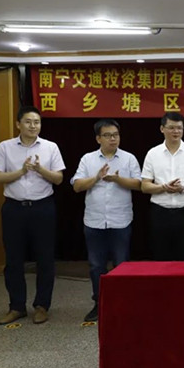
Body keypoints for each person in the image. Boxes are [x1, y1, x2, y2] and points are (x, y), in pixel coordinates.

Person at [0, 106, 65, 325]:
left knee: (45, 259)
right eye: (28, 122)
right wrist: (21, 171)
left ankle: (42, 306)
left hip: (43, 208)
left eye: (37, 122)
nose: (33, 126)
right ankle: (16, 306)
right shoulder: (5, 147)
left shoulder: (50, 147)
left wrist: (40, 170)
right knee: (13, 260)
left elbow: (59, 179)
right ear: (18, 124)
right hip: (14, 209)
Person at [71, 119, 141, 322]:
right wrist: (96, 178)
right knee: (96, 266)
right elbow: (77, 186)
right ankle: (99, 303)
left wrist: (117, 179)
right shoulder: (88, 159)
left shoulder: (128, 158)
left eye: (116, 135)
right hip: (94, 221)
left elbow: (139, 184)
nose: (113, 139)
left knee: (121, 264)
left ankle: (122, 304)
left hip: (121, 220)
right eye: (108, 135)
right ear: (98, 138)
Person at [141, 112, 184, 260]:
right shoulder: (153, 153)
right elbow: (145, 186)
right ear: (162, 129)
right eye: (171, 128)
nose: (176, 131)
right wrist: (163, 187)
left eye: (179, 128)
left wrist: (183, 188)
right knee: (160, 255)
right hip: (160, 212)